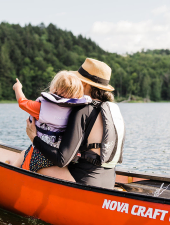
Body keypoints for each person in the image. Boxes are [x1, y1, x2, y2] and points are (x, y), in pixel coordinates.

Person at [25, 58, 125, 189]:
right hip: (108, 182)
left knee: (30, 158)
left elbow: (62, 159)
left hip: (83, 183)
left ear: (84, 84)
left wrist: (34, 138)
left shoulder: (83, 110)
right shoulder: (112, 110)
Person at [12, 71, 91, 182]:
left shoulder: (41, 107)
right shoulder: (76, 111)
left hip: (40, 155)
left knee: (25, 164)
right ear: (78, 93)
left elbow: (22, 102)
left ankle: (17, 181)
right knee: (23, 153)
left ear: (54, 88)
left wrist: (17, 88)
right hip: (62, 157)